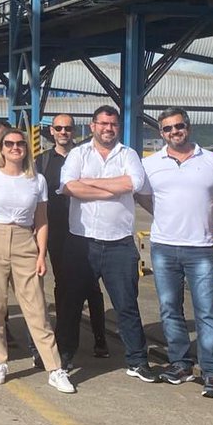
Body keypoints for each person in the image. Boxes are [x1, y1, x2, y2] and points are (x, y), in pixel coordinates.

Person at [0, 127, 75, 394]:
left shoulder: (36, 180)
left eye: (20, 144)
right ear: (0, 149)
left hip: (24, 240)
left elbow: (42, 221)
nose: (15, 148)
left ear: (27, 149)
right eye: (9, 144)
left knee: (37, 309)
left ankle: (54, 368)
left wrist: (41, 255)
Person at [135, 108, 213, 398]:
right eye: (168, 129)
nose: (175, 132)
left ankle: (212, 371)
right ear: (160, 133)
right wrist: (163, 214)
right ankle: (180, 364)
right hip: (163, 246)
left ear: (188, 127)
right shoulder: (150, 165)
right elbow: (142, 195)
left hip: (201, 247)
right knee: (169, 308)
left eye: (179, 126)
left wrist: (205, 215)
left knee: (208, 311)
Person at [57, 104, 154, 380]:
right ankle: (63, 357)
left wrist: (89, 184)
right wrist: (112, 187)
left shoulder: (129, 154)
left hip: (119, 244)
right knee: (71, 303)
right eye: (103, 123)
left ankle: (137, 361)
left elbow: (133, 184)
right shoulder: (78, 153)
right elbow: (68, 187)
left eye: (112, 124)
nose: (108, 128)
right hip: (81, 242)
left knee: (127, 305)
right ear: (93, 126)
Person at [38, 114, 109, 359]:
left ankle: (100, 338)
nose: (64, 132)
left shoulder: (87, 157)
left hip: (86, 230)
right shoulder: (43, 161)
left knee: (91, 285)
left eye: (68, 128)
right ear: (52, 131)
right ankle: (63, 333)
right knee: (62, 284)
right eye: (59, 128)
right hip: (57, 231)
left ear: (74, 131)